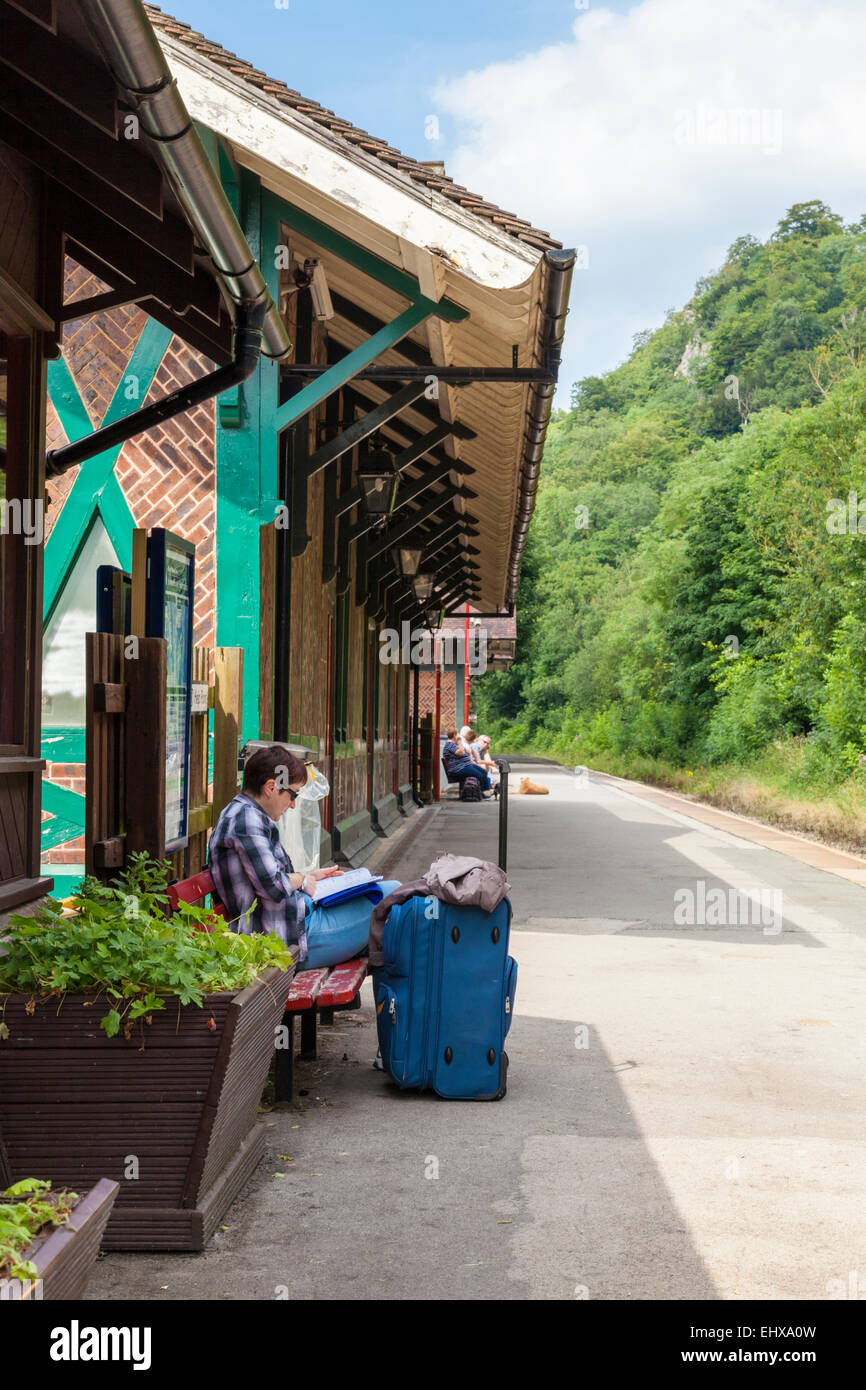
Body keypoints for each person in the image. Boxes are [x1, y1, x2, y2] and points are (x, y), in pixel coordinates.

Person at [209, 744, 399, 969]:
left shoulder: (244, 813)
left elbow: (270, 879)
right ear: (271, 787)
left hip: (294, 923)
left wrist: (311, 876)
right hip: (285, 941)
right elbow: (274, 886)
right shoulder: (246, 821)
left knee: (386, 896)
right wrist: (302, 879)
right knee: (396, 897)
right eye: (292, 794)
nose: (292, 804)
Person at [443, 726, 491, 794]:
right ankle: (482, 792)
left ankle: (486, 791)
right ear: (454, 735)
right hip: (458, 769)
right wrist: (459, 742)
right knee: (479, 774)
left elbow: (466, 750)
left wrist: (463, 747)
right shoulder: (449, 745)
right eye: (458, 734)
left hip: (465, 765)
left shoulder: (454, 744)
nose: (459, 736)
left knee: (483, 772)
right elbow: (461, 752)